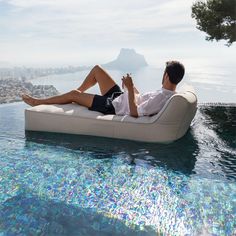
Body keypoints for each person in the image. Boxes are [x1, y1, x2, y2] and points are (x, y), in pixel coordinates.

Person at [22, 61, 185, 118]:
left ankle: (38, 102)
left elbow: (135, 113)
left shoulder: (162, 98)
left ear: (166, 76)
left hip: (112, 106)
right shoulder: (167, 93)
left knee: (73, 95)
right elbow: (139, 99)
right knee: (97, 70)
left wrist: (129, 88)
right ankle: (77, 96)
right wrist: (131, 87)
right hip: (120, 98)